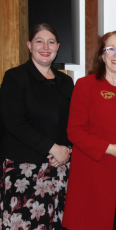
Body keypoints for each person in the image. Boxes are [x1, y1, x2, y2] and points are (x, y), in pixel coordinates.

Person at [62, 31, 116, 230]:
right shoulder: (85, 85)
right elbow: (74, 131)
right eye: (111, 49)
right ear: (102, 54)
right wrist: (111, 149)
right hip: (94, 174)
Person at [0, 23, 73, 229]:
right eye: (39, 41)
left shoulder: (66, 82)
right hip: (23, 172)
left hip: (59, 169)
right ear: (29, 45)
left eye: (51, 42)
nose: (45, 47)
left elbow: (74, 123)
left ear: (58, 47)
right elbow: (14, 123)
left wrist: (67, 149)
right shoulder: (15, 77)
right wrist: (53, 148)